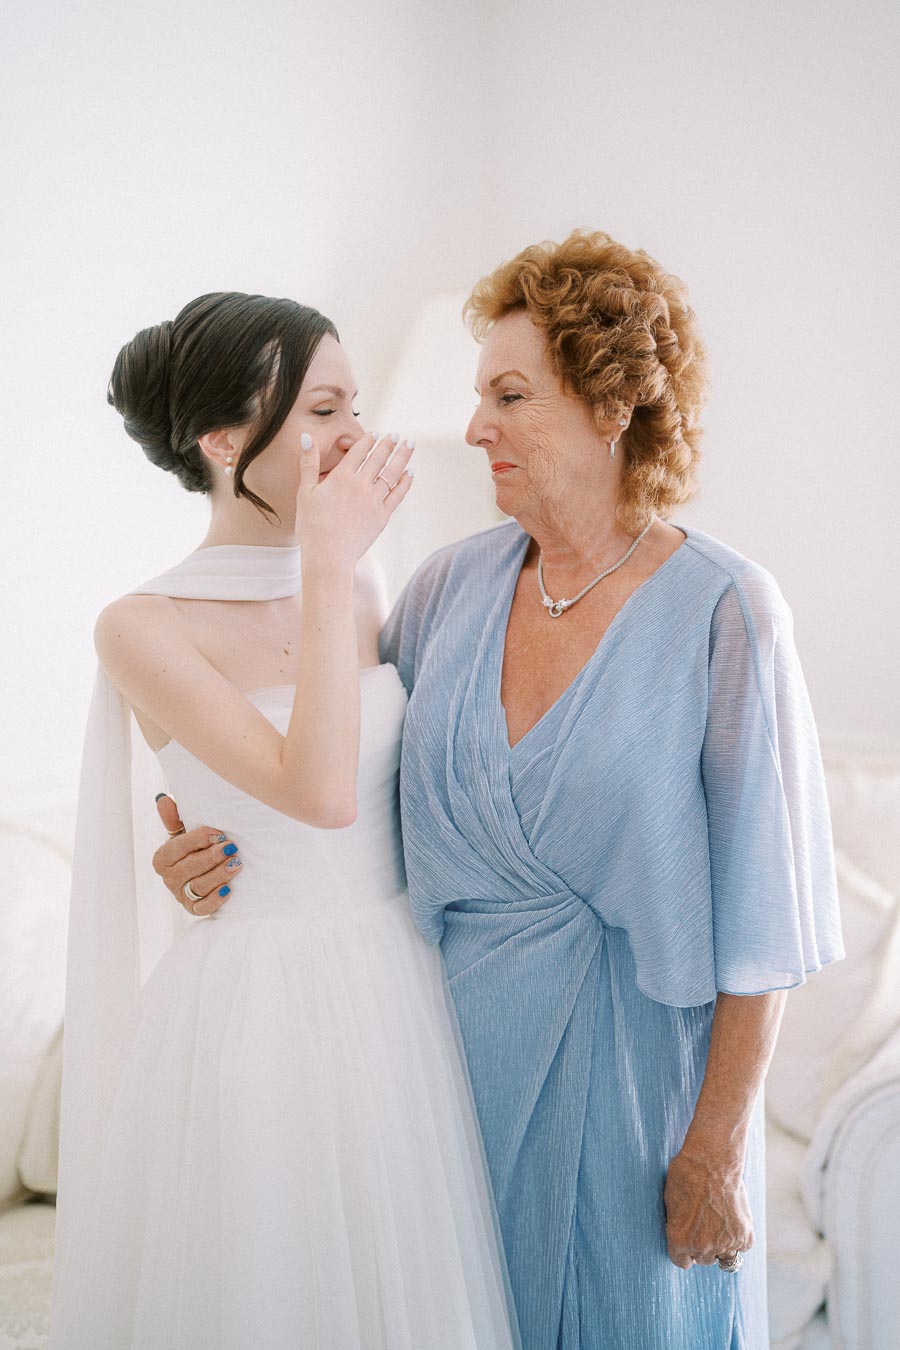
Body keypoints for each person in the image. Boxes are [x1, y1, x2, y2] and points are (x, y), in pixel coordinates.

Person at [155, 233, 844, 1349]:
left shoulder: (728, 610)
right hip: (439, 1077)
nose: (474, 425)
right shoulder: (445, 592)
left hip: (636, 1094)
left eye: (510, 394)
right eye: (479, 394)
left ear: (614, 403)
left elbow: (765, 918)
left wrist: (715, 1149)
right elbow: (347, 790)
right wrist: (208, 858)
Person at [48, 292, 519, 1349]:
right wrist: (322, 558)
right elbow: (318, 792)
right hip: (259, 1007)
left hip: (401, 980)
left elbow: (415, 788)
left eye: (353, 404)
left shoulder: (365, 587)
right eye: (322, 410)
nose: (355, 435)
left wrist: (336, 565)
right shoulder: (140, 625)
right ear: (225, 441)